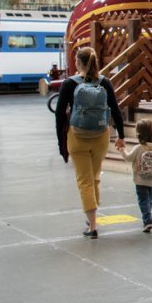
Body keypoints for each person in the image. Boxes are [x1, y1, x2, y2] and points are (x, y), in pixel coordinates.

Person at [55, 47, 125, 238]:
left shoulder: (69, 84)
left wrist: (61, 139)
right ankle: (91, 213)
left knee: (84, 180)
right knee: (94, 177)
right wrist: (121, 135)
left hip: (77, 137)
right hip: (101, 136)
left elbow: (60, 114)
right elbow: (116, 110)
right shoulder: (104, 82)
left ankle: (92, 225)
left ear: (78, 62)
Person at [118, 120, 152, 233]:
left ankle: (147, 220)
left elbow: (128, 158)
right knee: (149, 200)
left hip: (140, 180)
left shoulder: (138, 148)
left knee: (143, 200)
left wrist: (122, 150)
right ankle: (147, 218)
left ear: (138, 134)